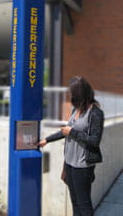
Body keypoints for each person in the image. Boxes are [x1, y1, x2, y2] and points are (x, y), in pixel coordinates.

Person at [38, 76, 104, 216]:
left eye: (73, 93)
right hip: (69, 163)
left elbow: (94, 141)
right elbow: (66, 131)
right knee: (74, 202)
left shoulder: (95, 113)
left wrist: (72, 132)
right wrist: (47, 140)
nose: (71, 96)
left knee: (84, 204)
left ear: (81, 93)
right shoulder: (76, 109)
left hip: (82, 166)